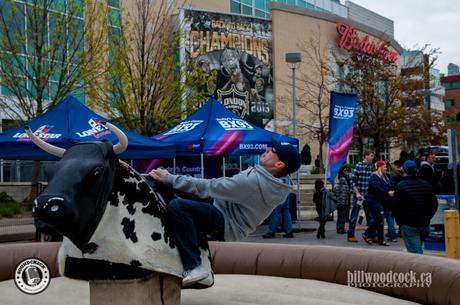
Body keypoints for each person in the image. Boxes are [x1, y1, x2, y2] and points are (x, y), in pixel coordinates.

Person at [148, 140, 301, 286]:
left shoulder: (254, 183)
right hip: (223, 208)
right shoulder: (277, 182)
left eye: (272, 150)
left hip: (227, 224)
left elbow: (210, 186)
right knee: (174, 190)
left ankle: (194, 267)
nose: (266, 149)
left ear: (279, 164)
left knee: (178, 206)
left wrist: (170, 178)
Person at [392, 160, 438, 254]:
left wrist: (401, 222)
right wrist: (428, 217)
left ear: (404, 170)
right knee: (417, 249)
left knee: (416, 254)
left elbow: (396, 207)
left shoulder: (400, 186)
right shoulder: (426, 185)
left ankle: (421, 269)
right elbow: (434, 204)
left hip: (409, 224)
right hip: (424, 224)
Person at [362, 161, 393, 246]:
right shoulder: (374, 177)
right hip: (373, 201)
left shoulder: (384, 177)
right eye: (385, 167)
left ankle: (372, 236)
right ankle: (369, 235)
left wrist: (391, 190)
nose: (386, 168)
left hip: (379, 201)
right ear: (380, 167)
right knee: (379, 220)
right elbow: (377, 189)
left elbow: (389, 186)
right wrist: (388, 193)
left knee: (379, 220)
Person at [348, 150, 374, 242]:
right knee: (354, 216)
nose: (372, 157)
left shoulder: (371, 166)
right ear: (365, 156)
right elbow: (352, 181)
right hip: (358, 196)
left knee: (370, 216)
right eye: (371, 155)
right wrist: (357, 193)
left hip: (367, 195)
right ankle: (350, 235)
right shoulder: (359, 165)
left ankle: (370, 235)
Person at [333, 165, 351, 234]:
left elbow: (334, 192)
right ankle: (342, 229)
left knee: (339, 216)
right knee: (343, 216)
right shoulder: (346, 186)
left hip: (338, 203)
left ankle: (338, 228)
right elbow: (349, 193)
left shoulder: (336, 187)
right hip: (344, 203)